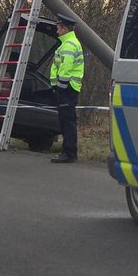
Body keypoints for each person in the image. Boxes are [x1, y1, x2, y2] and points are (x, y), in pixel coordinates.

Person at [49, 13, 85, 164]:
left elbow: (65, 68)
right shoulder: (69, 43)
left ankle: (69, 153)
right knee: (67, 120)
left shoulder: (69, 45)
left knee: (67, 121)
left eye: (58, 28)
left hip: (67, 88)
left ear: (64, 28)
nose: (57, 31)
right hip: (69, 87)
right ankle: (69, 152)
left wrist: (60, 88)